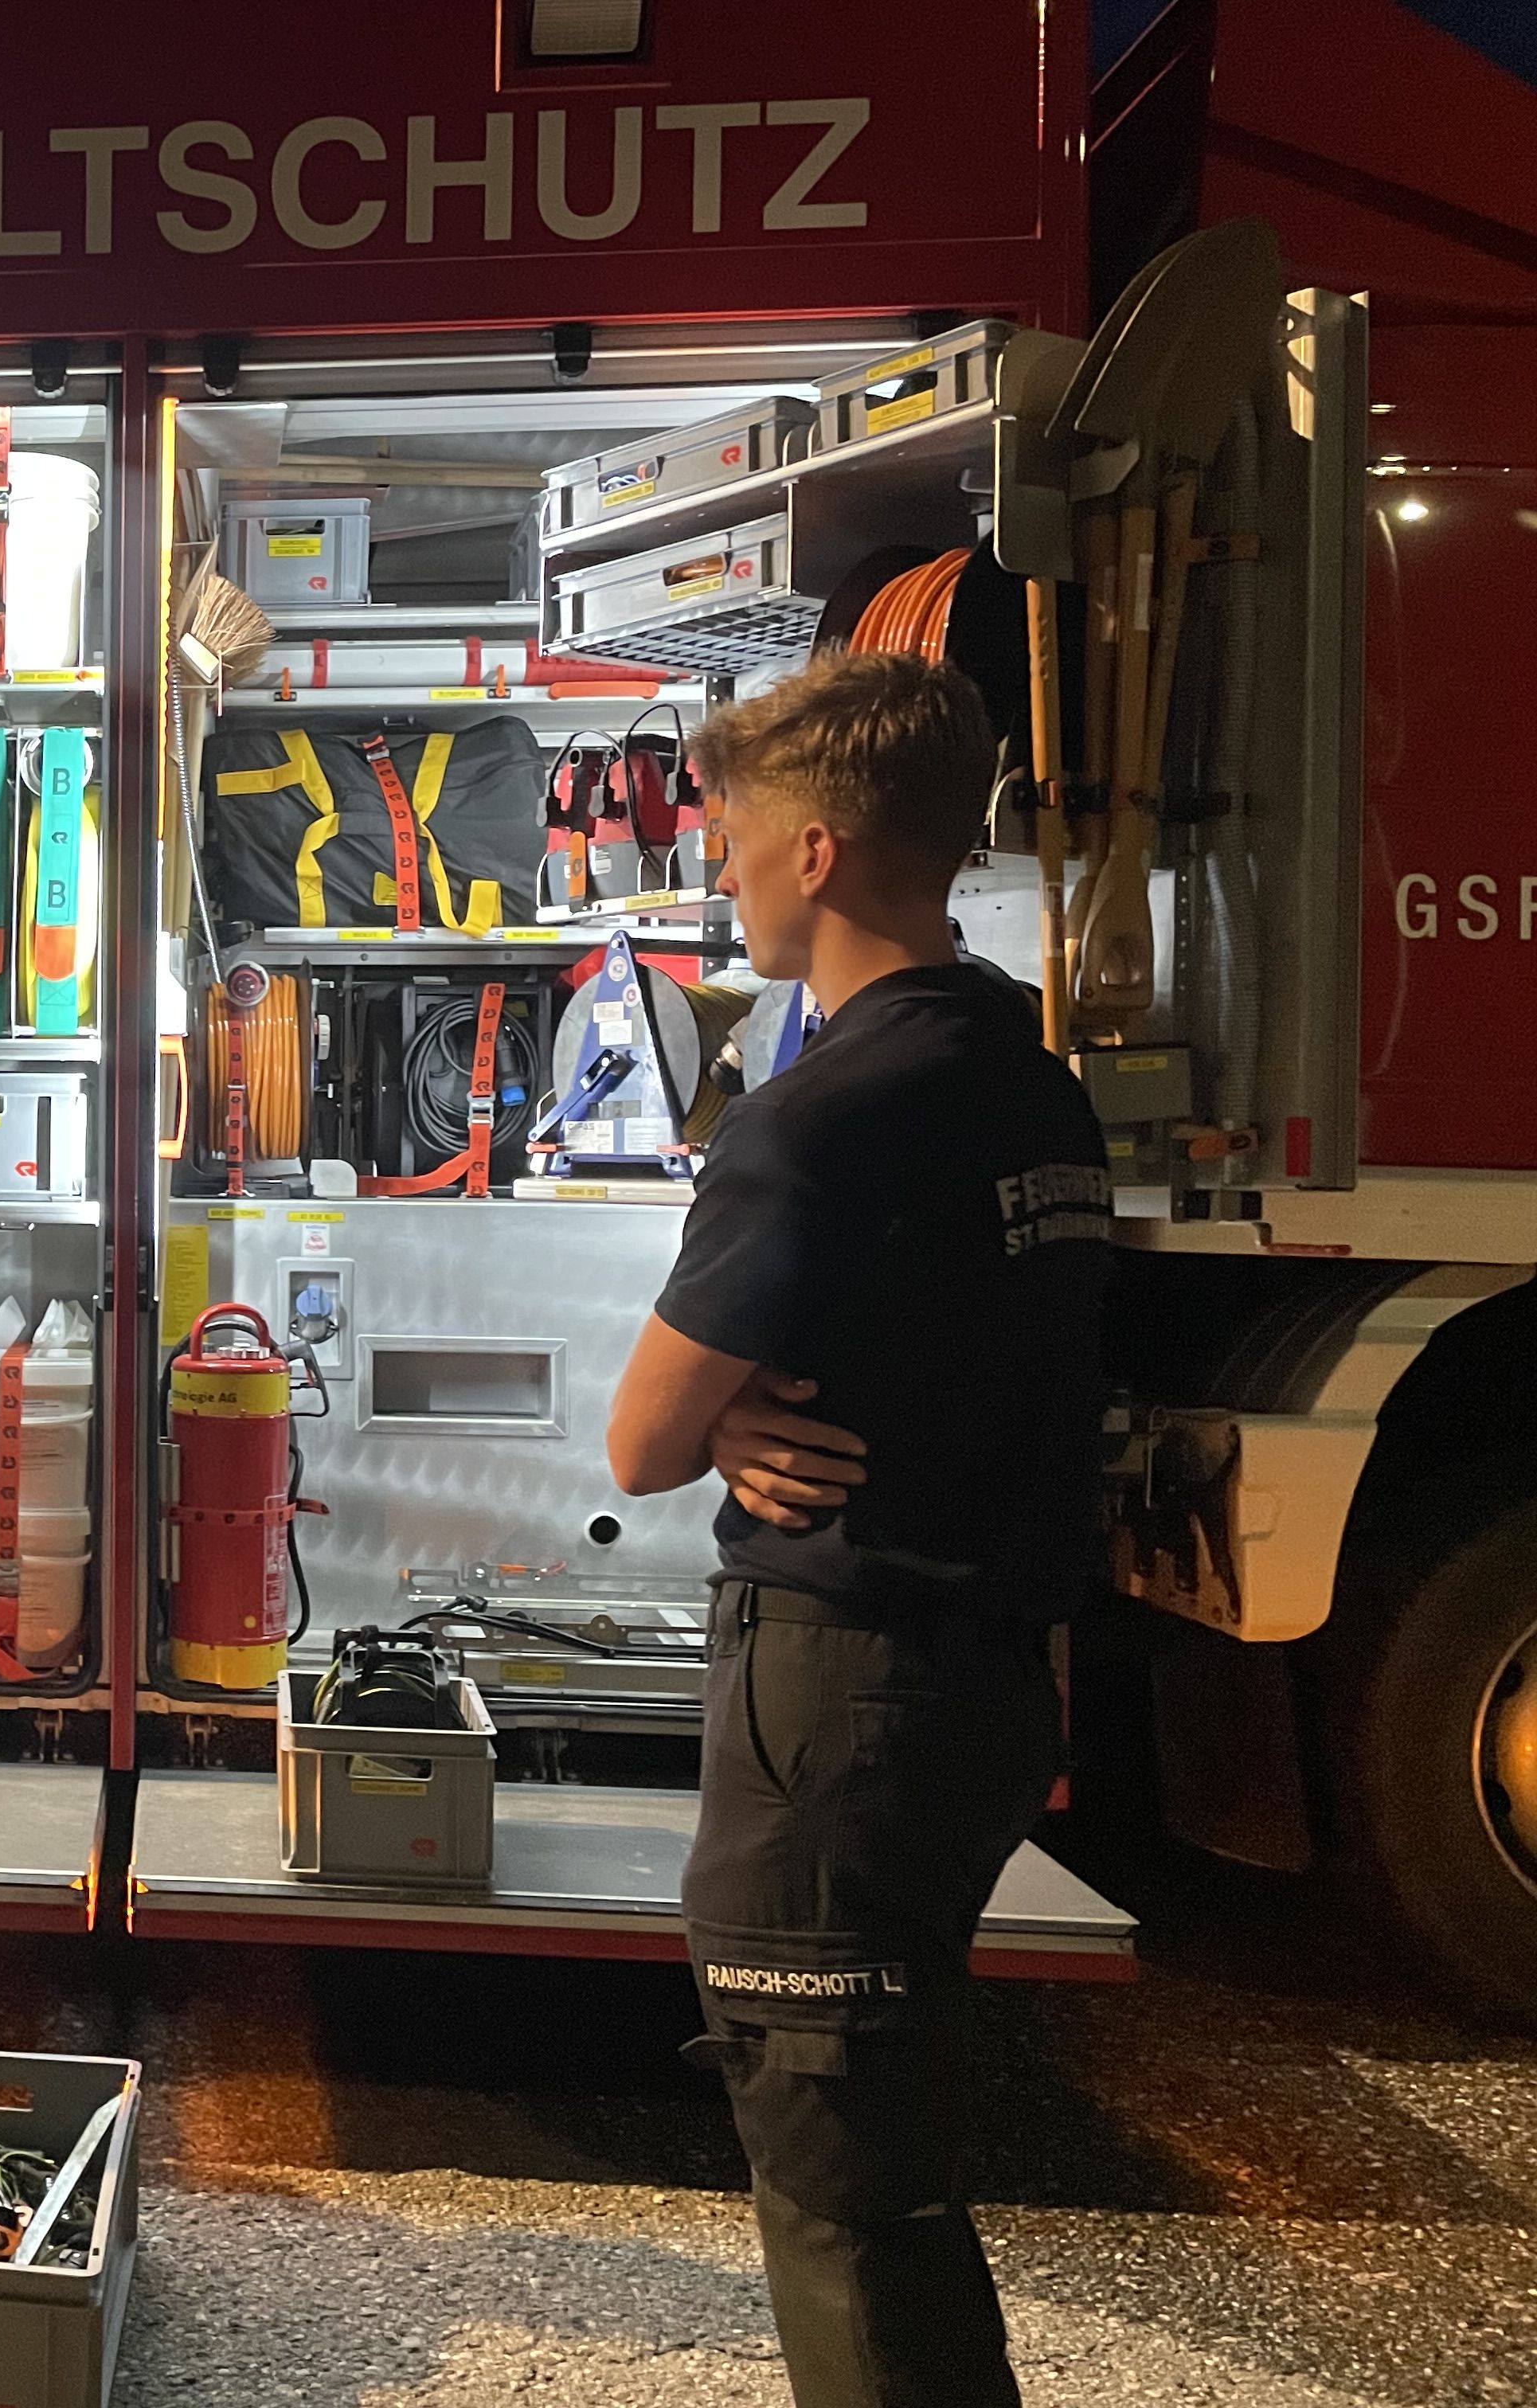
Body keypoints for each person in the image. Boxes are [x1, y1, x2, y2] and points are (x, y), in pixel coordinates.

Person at [605, 652, 1110, 2406]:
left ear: (814, 851)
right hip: (986, 1691)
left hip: (843, 1709)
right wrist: (747, 1406)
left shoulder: (816, 1123)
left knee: (843, 2202)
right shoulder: (1025, 1078)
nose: (722, 866)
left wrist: (714, 1412)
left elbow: (640, 1441)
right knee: (892, 2164)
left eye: (736, 834)